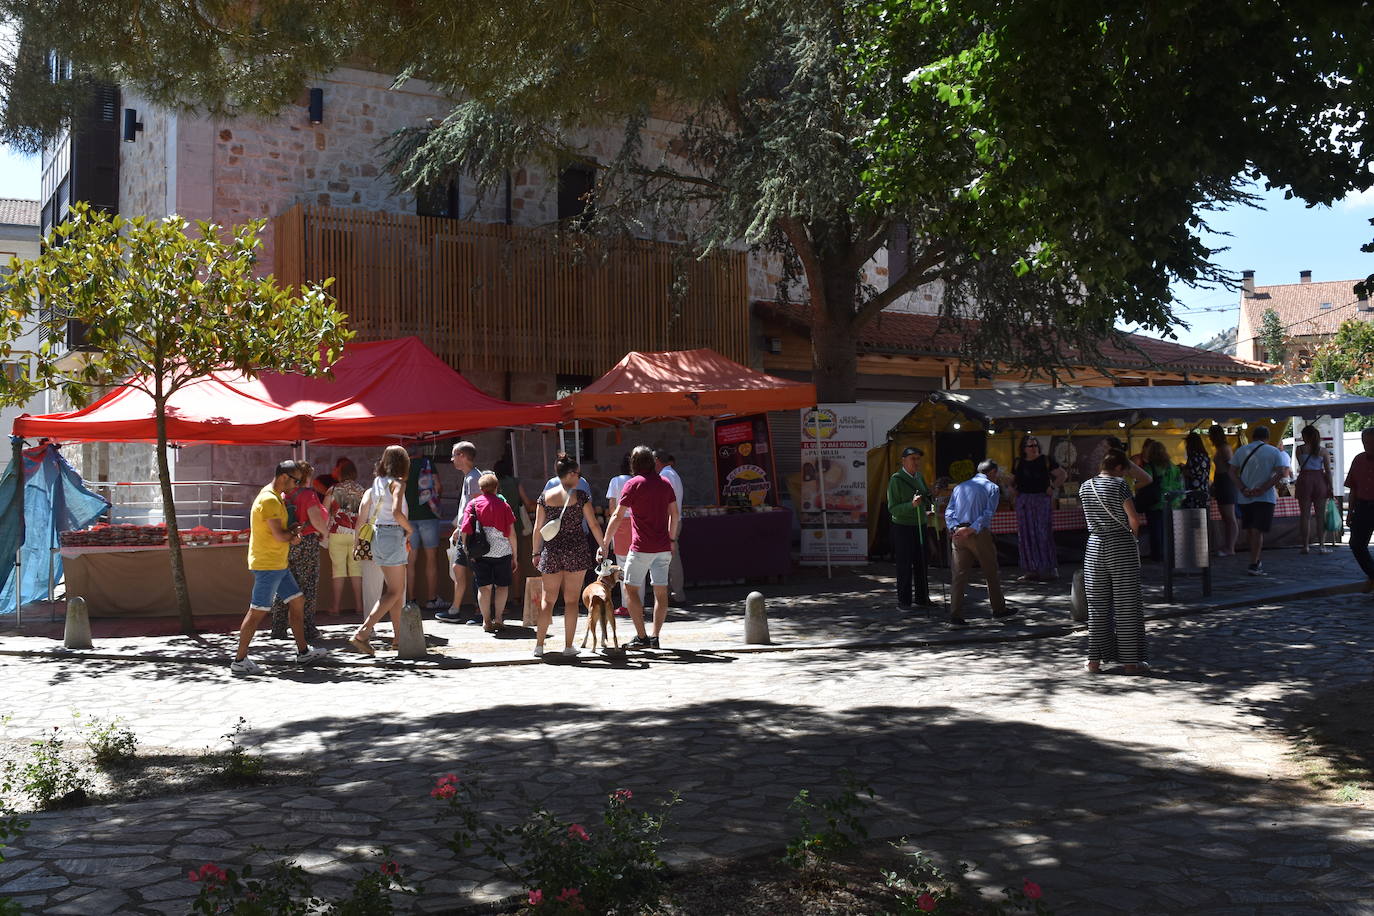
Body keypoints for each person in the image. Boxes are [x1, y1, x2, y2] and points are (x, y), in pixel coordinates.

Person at [231, 460, 329, 675]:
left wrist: (292, 528)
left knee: (297, 600)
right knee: (257, 612)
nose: (297, 485)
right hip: (268, 565)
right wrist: (293, 536)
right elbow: (279, 535)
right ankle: (239, 660)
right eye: (295, 480)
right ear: (284, 477)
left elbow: (278, 529)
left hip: (278, 564)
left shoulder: (273, 496)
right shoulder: (270, 500)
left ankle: (303, 652)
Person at [602, 445, 679, 649]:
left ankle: (642, 636)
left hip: (641, 547)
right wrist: (671, 540)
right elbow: (675, 514)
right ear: (653, 462)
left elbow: (618, 515)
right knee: (661, 592)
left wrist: (605, 541)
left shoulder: (632, 484)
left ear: (634, 464)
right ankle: (655, 636)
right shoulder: (665, 483)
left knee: (630, 588)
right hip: (663, 546)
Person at [532, 453, 606, 657]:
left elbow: (538, 527)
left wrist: (535, 552)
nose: (580, 478)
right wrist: (603, 545)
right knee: (572, 601)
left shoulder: (544, 497)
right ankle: (568, 647)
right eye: (578, 474)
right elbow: (592, 524)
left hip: (552, 550)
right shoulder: (580, 497)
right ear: (571, 474)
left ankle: (539, 645)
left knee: (548, 600)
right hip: (576, 549)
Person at [1080, 450, 1147, 675]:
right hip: (1120, 545)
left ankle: (1094, 662)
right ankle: (1130, 663)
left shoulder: (1085, 486)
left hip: (1094, 547)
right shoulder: (1120, 486)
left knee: (1097, 607)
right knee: (1126, 605)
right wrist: (1133, 535)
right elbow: (1134, 519)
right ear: (1119, 468)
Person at [348, 446, 414, 655]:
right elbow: (396, 512)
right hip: (393, 535)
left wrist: (356, 543)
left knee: (395, 591)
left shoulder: (377, 482)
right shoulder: (398, 483)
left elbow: (363, 518)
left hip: (378, 536)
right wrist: (409, 529)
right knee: (395, 591)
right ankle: (363, 633)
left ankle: (398, 638)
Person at [942, 460, 1014, 626]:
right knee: (991, 572)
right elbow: (987, 514)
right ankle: (999, 609)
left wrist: (954, 529)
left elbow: (949, 511)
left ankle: (955, 615)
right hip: (978, 534)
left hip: (958, 534)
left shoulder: (959, 487)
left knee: (959, 576)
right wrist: (972, 529)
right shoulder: (992, 488)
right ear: (993, 472)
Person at [270, 460, 330, 641]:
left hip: (287, 542)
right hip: (306, 543)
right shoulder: (308, 495)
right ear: (306, 478)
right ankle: (307, 628)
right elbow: (316, 519)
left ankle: (278, 627)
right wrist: (326, 534)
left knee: (284, 585)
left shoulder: (283, 495)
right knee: (308, 586)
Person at [1229, 425, 1291, 577]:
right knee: (1258, 530)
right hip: (1265, 497)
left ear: (1252, 437)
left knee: (1251, 529)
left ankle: (1255, 559)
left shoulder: (1241, 450)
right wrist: (1263, 488)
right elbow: (1281, 473)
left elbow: (1231, 472)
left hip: (1244, 497)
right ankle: (1254, 562)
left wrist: (1242, 488)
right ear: (1267, 437)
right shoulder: (1274, 451)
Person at [460, 473, 519, 633]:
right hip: (502, 552)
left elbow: (465, 530)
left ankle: (486, 621)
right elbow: (512, 533)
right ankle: (499, 618)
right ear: (496, 487)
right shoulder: (503, 505)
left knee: (483, 588)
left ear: (480, 488)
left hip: (480, 553)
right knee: (501, 587)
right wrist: (515, 555)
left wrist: (467, 550)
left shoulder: (472, 505)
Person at [437, 441, 484, 623]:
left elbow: (475, 508)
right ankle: (456, 609)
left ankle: (479, 610)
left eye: (454, 454)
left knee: (474, 571)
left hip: (470, 533)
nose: (452, 459)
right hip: (465, 532)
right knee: (459, 568)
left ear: (463, 456)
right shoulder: (470, 477)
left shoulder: (472, 478)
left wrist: (462, 528)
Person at [1009, 435, 1066, 582]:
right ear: (1024, 448)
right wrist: (1012, 490)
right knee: (1026, 536)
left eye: (1036, 445)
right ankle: (1030, 570)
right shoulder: (1018, 462)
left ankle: (1050, 568)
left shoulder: (1045, 460)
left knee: (1043, 533)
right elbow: (1012, 481)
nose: (1034, 448)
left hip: (1041, 500)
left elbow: (1062, 475)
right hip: (1024, 501)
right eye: (1031, 446)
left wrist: (1052, 487)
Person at [886, 445, 933, 609]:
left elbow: (926, 497)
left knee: (922, 563)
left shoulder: (919, 476)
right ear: (903, 460)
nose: (916, 462)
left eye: (918, 458)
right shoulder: (896, 480)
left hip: (920, 524)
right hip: (902, 527)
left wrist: (930, 504)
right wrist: (911, 505)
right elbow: (892, 508)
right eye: (913, 458)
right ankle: (904, 601)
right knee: (904, 565)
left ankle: (922, 598)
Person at [323, 458, 365, 617]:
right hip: (356, 534)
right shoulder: (362, 490)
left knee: (338, 571)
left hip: (336, 533)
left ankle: (336, 607)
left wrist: (323, 532)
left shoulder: (333, 490)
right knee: (356, 570)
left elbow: (324, 513)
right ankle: (360, 606)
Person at [406, 448, 447, 610]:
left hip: (408, 518)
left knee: (410, 562)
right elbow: (438, 487)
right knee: (431, 560)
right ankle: (432, 599)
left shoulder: (403, 466)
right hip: (428, 516)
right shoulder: (428, 464)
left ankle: (411, 600)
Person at [494, 456, 536, 613]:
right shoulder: (515, 482)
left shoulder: (494, 483)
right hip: (514, 525)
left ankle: (501, 603)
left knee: (498, 563)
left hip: (496, 527)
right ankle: (517, 596)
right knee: (515, 562)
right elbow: (527, 502)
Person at [1137, 440, 1182, 563]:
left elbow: (1143, 482)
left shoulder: (1150, 467)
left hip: (1155, 503)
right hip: (1173, 503)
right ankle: (1171, 555)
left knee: (1156, 531)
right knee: (1170, 531)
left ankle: (1158, 556)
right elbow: (1180, 485)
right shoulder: (1173, 467)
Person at [654, 449, 688, 605]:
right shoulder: (672, 474)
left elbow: (665, 502)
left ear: (657, 461)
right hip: (673, 519)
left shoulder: (665, 475)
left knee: (671, 559)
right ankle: (673, 593)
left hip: (669, 520)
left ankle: (676, 594)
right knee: (671, 558)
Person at [1294, 424, 1335, 555]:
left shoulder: (1299, 449)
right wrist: (1331, 487)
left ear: (1305, 436)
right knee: (1320, 516)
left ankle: (1305, 546)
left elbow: (1301, 465)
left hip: (1304, 479)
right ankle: (1322, 546)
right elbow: (1328, 471)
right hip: (1319, 480)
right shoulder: (1323, 451)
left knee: (1304, 516)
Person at [605, 452, 635, 616]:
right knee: (638, 563)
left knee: (622, 564)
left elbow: (612, 506)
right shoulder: (637, 480)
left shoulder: (615, 481)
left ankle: (626, 604)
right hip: (636, 522)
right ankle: (638, 602)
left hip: (621, 522)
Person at [1344, 428, 1374, 591]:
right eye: (1365, 442)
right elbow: (1354, 487)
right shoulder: (1359, 459)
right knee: (1356, 544)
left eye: (1370, 442)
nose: (1367, 445)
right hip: (1363, 506)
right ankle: (1372, 574)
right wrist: (1350, 512)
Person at [1208, 426, 1240, 557]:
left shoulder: (1225, 448)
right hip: (1221, 482)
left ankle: (1230, 547)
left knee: (1229, 517)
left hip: (1226, 482)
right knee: (1225, 517)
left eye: (1211, 435)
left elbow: (1232, 467)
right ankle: (1227, 545)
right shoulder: (1220, 448)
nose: (1209, 437)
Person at [1181, 432, 1212, 511]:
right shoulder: (1206, 457)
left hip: (1194, 495)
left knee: (1193, 519)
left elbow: (1191, 474)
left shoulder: (1193, 457)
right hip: (1204, 492)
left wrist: (1182, 469)